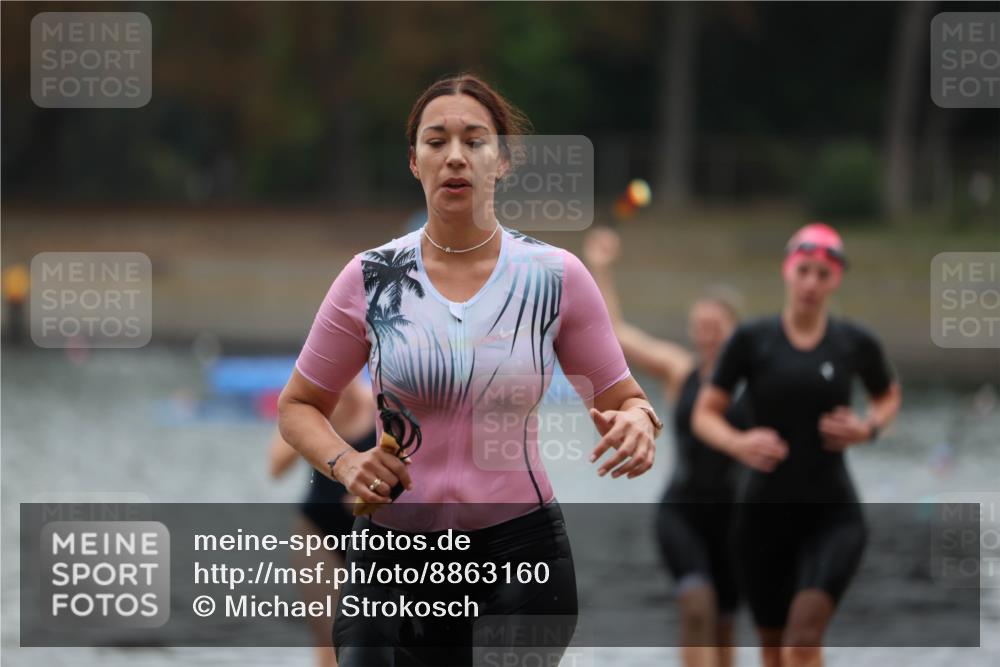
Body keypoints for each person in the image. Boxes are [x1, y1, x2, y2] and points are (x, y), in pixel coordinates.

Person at [277, 73, 661, 667]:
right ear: (413, 161)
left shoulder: (556, 278)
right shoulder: (369, 278)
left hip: (520, 559)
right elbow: (298, 405)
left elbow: (626, 398)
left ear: (501, 160)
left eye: (474, 140)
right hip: (391, 559)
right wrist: (346, 462)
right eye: (436, 141)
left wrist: (638, 421)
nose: (455, 155)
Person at [692, 223, 903, 667]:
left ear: (835, 280)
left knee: (802, 641)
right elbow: (704, 414)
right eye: (803, 271)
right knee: (773, 651)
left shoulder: (854, 343)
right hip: (761, 519)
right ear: (788, 271)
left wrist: (869, 428)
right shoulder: (752, 341)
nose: (811, 283)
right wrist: (740, 441)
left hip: (833, 515)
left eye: (821, 275)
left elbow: (888, 396)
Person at [583, 226, 749, 667]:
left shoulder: (756, 384)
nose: (707, 336)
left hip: (736, 522)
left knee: (725, 626)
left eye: (716, 328)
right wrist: (601, 266)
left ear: (736, 333)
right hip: (684, 514)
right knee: (697, 608)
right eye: (700, 328)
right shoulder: (682, 372)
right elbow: (615, 334)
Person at [268, 371, 377, 667]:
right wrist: (312, 427)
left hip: (375, 536)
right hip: (318, 533)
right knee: (330, 643)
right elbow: (275, 467)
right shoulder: (312, 407)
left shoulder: (381, 406)